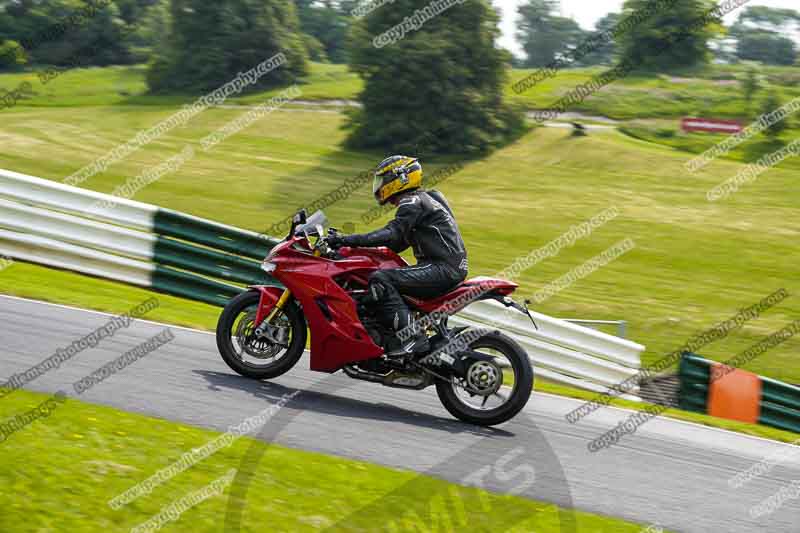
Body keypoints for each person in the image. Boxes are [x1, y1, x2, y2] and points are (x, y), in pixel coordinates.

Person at [328, 155, 468, 357]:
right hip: (448, 267)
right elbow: (396, 243)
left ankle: (413, 337)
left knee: (382, 278)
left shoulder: (412, 201)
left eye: (384, 180)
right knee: (380, 273)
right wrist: (354, 251)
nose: (380, 185)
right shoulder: (427, 198)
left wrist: (347, 239)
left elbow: (391, 233)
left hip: (442, 269)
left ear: (401, 178)